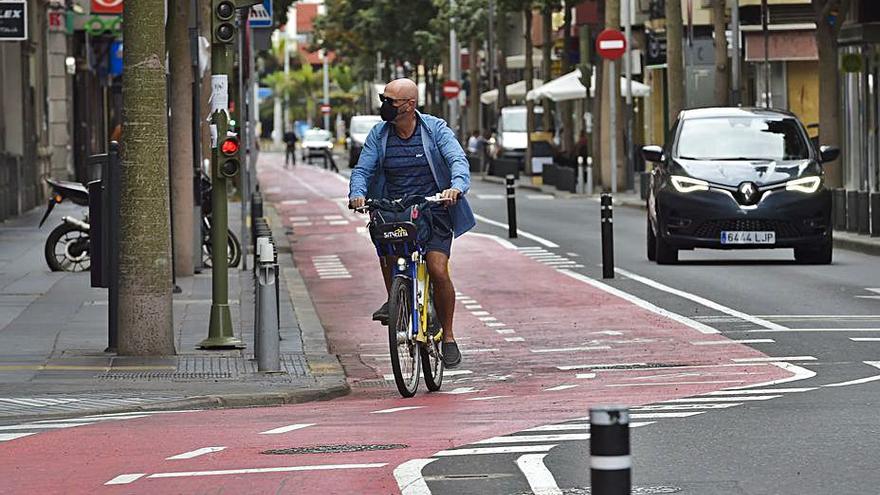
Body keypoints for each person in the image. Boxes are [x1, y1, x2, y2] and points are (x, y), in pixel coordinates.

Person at [348, 78, 475, 368]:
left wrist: (456, 187)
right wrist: (357, 194)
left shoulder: (434, 129)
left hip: (434, 209)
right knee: (385, 246)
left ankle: (449, 336)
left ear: (409, 105)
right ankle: (395, 297)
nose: (385, 107)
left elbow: (457, 159)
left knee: (437, 269)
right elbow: (363, 169)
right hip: (394, 209)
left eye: (390, 102)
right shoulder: (379, 135)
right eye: (384, 100)